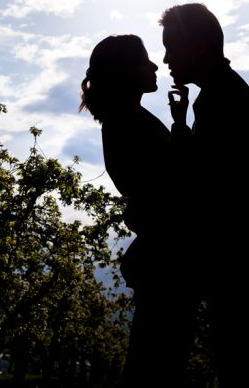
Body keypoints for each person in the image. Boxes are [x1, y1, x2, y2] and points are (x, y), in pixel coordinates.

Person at [161, 3, 249, 386]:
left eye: (172, 46)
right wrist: (183, 125)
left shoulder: (220, 100)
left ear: (200, 45)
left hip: (247, 273)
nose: (166, 58)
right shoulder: (221, 94)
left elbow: (209, 187)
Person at [80, 34, 190, 385]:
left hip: (160, 257)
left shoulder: (126, 120)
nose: (155, 65)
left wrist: (179, 124)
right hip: (166, 260)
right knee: (157, 365)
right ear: (126, 70)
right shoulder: (128, 123)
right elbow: (171, 184)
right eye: (145, 60)